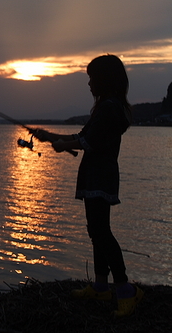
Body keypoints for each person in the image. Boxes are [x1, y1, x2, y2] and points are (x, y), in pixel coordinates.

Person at [31, 54, 143, 317]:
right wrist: (51, 137)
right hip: (97, 175)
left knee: (101, 232)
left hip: (100, 177)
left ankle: (126, 290)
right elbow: (82, 136)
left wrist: (62, 145)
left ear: (104, 80)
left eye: (92, 78)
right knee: (96, 230)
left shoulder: (109, 109)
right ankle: (101, 286)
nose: (89, 83)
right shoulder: (107, 106)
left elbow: (87, 143)